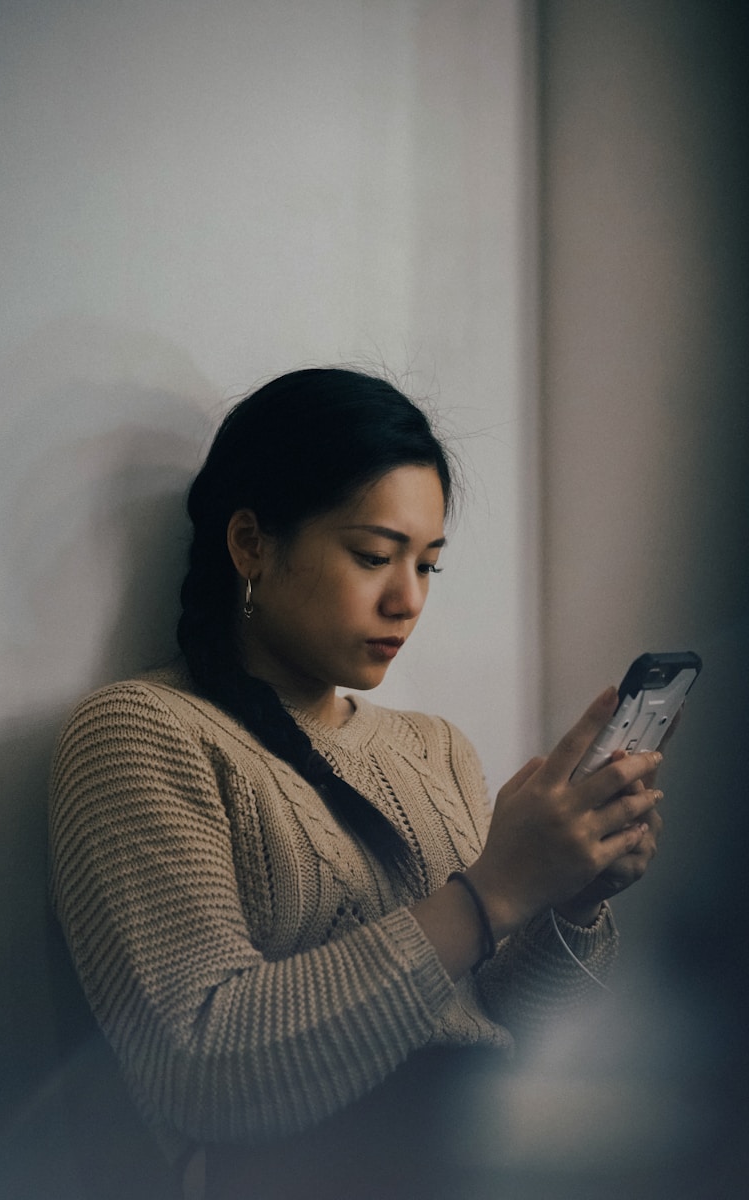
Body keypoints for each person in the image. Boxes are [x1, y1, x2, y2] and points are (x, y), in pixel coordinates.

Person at [49, 367, 663, 1199]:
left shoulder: (436, 749)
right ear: (251, 546)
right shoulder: (144, 734)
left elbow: (506, 1030)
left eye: (429, 566)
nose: (407, 599)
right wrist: (490, 895)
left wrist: (568, 898)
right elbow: (200, 1068)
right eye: (374, 556)